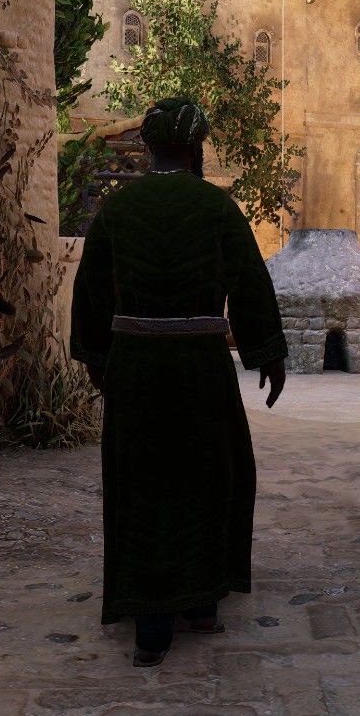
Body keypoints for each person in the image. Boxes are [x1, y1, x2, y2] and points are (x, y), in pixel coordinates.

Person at [70, 97, 289, 668]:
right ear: (195, 147)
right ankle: (202, 605)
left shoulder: (118, 211)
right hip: (199, 369)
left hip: (136, 370)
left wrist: (99, 360)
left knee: (142, 483)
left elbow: (91, 293)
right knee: (208, 477)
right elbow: (248, 284)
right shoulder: (217, 208)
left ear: (147, 146)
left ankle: (151, 626)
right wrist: (268, 354)